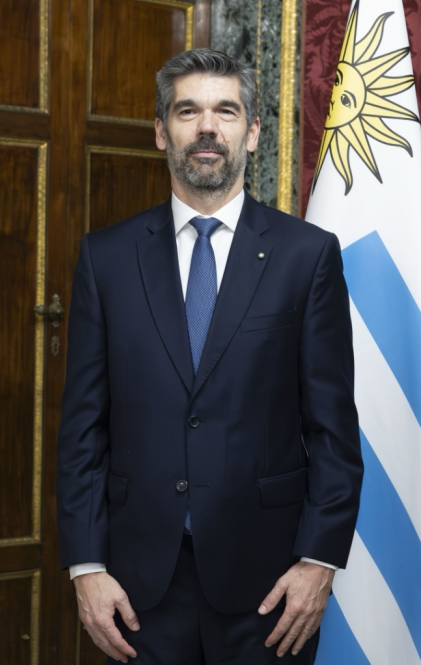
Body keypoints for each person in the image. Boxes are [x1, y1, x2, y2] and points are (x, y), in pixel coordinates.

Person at [55, 49, 362, 664]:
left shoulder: (308, 256)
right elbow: (83, 432)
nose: (206, 128)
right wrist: (86, 567)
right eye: (187, 110)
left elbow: (332, 431)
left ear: (251, 133)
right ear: (161, 130)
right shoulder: (106, 259)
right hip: (136, 591)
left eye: (226, 110)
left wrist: (319, 562)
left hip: (271, 591)